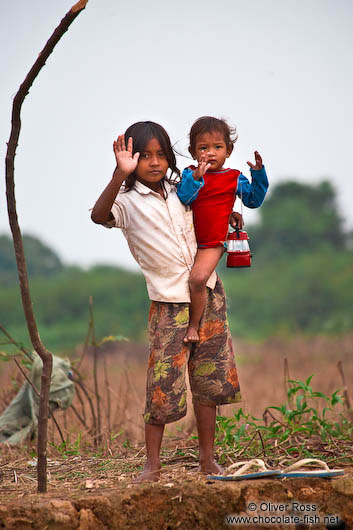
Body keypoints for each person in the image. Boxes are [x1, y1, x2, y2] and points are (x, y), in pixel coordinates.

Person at [91, 121, 241, 482]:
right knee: (163, 384)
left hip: (208, 294)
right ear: (131, 160)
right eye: (144, 156)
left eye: (161, 155)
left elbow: (213, 210)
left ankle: (208, 460)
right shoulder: (126, 202)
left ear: (171, 159)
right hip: (168, 303)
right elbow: (99, 216)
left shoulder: (184, 189)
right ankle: (152, 465)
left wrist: (232, 217)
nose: (154, 162)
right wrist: (117, 176)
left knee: (208, 381)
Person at [177, 116, 269, 343]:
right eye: (203, 148)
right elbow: (184, 197)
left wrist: (258, 174)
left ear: (229, 150)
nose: (211, 153)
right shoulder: (190, 174)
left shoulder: (233, 178)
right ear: (192, 151)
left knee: (197, 279)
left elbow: (253, 200)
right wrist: (198, 176)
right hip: (184, 240)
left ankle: (193, 326)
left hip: (211, 243)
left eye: (217, 147)